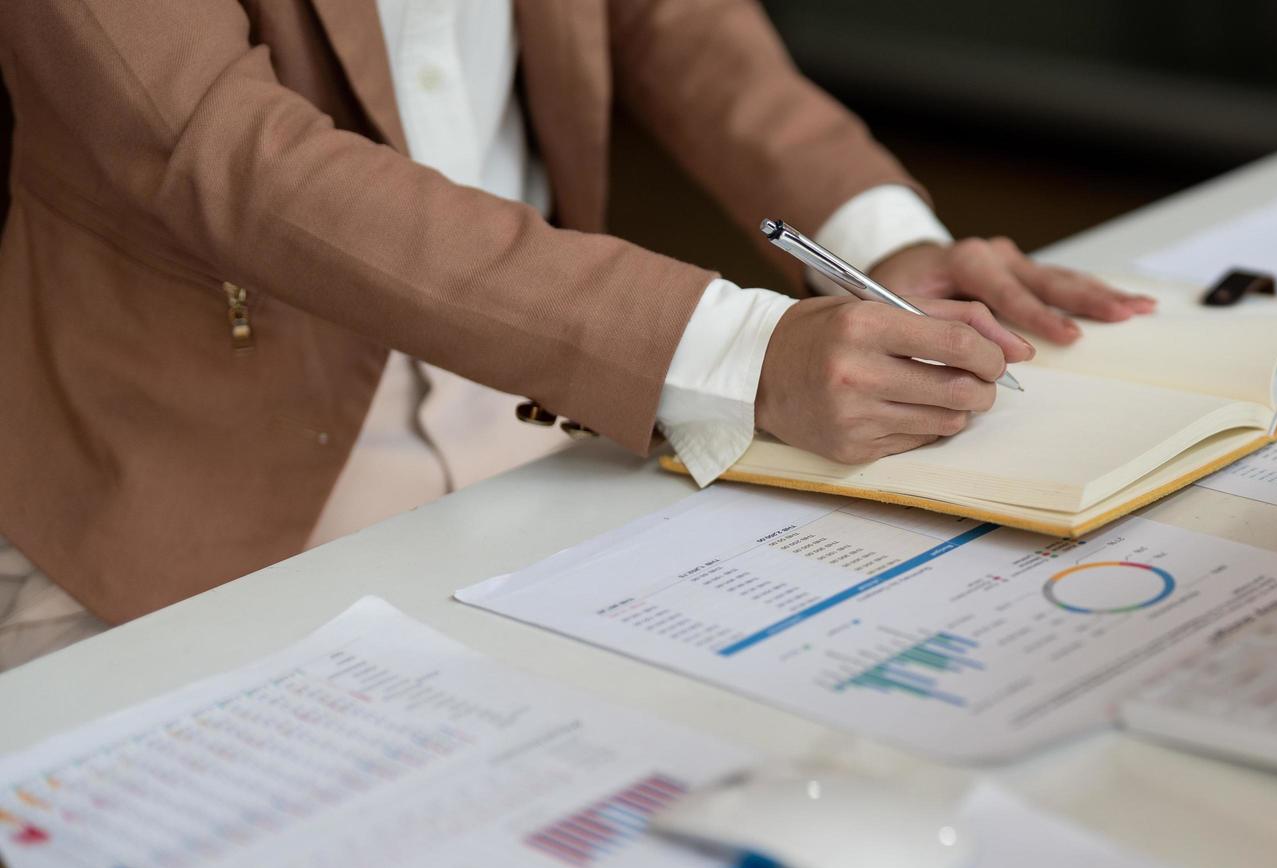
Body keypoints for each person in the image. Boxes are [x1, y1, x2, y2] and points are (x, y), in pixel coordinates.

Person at [0, 0, 1153, 670]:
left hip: (547, 416)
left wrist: (877, 235)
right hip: (185, 479)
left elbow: (671, 18)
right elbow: (224, 152)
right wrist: (733, 353)